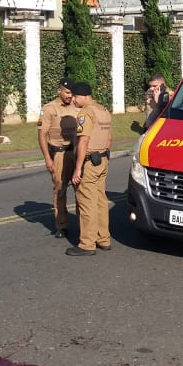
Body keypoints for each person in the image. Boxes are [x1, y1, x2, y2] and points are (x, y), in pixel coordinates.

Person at [65, 81, 113, 256]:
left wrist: (78, 168)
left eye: (75, 97)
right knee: (100, 200)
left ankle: (87, 243)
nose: (73, 100)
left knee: (87, 202)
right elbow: (109, 138)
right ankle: (103, 238)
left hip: (89, 162)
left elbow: (83, 141)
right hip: (102, 160)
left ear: (84, 96)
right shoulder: (104, 111)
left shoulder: (86, 113)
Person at [37, 78, 81, 237]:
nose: (71, 96)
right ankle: (62, 225)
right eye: (68, 92)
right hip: (59, 153)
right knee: (60, 189)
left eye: (72, 93)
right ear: (59, 91)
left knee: (80, 189)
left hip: (75, 152)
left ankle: (84, 224)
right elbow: (42, 135)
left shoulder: (77, 106)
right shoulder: (49, 108)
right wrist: (48, 159)